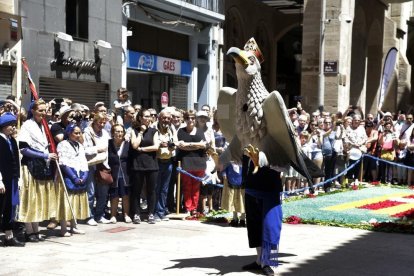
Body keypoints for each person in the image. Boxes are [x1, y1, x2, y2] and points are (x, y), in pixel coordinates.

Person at [18, 99, 58, 242]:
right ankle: (29, 231)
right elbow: (23, 148)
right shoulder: (27, 125)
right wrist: (44, 155)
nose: (43, 113)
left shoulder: (44, 126)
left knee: (38, 199)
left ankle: (36, 229)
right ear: (33, 111)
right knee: (30, 199)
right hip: (30, 166)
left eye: (44, 110)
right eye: (40, 110)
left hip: (43, 166)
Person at [57, 124, 89, 236]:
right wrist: (73, 177)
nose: (78, 135)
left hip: (80, 173)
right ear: (69, 133)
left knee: (76, 202)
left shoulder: (80, 146)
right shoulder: (63, 144)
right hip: (69, 175)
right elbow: (63, 162)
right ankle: (64, 228)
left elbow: (84, 161)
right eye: (76, 133)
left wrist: (84, 175)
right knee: (66, 203)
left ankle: (74, 226)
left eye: (80, 132)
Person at [129, 109, 160, 224]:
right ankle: (136, 213)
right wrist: (141, 133)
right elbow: (134, 145)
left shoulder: (154, 131)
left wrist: (142, 149)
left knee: (151, 190)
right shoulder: (134, 131)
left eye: (150, 116)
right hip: (138, 164)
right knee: (136, 190)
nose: (148, 118)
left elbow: (156, 147)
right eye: (146, 116)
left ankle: (151, 213)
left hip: (151, 164)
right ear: (140, 118)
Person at [176, 110, 207, 216]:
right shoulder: (181, 131)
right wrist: (197, 145)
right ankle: (188, 207)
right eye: (188, 118)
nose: (191, 120)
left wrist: (188, 145)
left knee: (196, 187)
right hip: (186, 162)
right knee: (187, 186)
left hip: (199, 162)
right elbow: (181, 146)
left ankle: (194, 208)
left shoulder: (200, 131)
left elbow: (204, 146)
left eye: (193, 118)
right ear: (185, 119)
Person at [0, 113, 24, 246]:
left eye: (14, 125)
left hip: (13, 180)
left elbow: (17, 161)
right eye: (11, 125)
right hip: (2, 181)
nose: (13, 128)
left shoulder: (12, 141)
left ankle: (9, 237)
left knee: (10, 208)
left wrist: (18, 178)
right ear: (3, 126)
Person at [83, 113, 111, 225]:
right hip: (90, 165)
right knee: (90, 192)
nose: (102, 125)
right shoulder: (87, 133)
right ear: (94, 121)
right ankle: (89, 216)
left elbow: (108, 149)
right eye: (100, 122)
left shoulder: (105, 133)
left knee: (103, 193)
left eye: (104, 122)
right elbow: (84, 150)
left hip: (103, 165)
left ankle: (99, 215)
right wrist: (97, 149)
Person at [154, 109, 177, 221]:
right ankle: (154, 212)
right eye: (164, 118)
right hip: (157, 162)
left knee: (164, 189)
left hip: (168, 161)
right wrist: (160, 144)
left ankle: (161, 211)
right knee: (156, 188)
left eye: (168, 118)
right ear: (159, 118)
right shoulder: (154, 128)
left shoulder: (171, 129)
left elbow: (175, 143)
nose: (166, 120)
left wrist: (172, 145)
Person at [108, 124, 131, 223]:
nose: (119, 133)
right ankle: (113, 215)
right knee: (114, 196)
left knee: (125, 195)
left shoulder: (127, 144)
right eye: (117, 131)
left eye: (121, 131)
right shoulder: (108, 143)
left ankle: (126, 215)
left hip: (126, 174)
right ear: (113, 133)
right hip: (113, 173)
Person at [221, 161, 245, 227]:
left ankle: (243, 219)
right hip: (231, 181)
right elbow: (224, 167)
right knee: (233, 201)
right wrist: (224, 175)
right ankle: (235, 219)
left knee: (242, 201)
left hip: (242, 182)